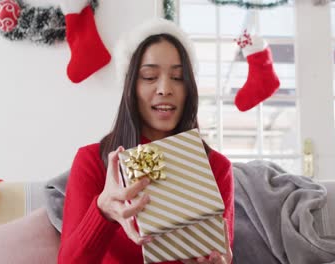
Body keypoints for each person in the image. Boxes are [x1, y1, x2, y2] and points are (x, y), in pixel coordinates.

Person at [58, 18, 234, 264]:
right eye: (150, 77)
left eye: (178, 77)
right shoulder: (91, 161)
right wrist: (103, 211)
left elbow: (220, 253)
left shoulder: (216, 167)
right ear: (130, 86)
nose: (165, 88)